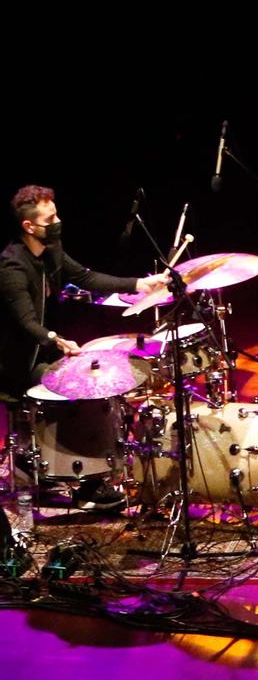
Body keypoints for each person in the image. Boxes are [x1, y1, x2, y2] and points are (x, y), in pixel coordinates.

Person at [3, 184, 170, 508]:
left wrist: (138, 283)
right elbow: (26, 322)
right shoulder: (11, 268)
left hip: (39, 352)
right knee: (82, 386)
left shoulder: (50, 251)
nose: (57, 221)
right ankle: (86, 485)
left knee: (98, 371)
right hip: (12, 366)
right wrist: (54, 339)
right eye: (50, 218)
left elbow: (86, 277)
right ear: (29, 226)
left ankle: (56, 471)